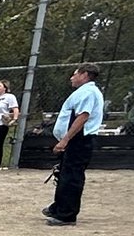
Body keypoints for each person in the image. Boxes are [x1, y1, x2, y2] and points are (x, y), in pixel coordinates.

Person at [43, 62, 105, 227]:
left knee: (72, 176)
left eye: (75, 74)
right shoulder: (83, 92)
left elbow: (83, 116)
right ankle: (58, 207)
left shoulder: (89, 92)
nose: (72, 77)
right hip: (75, 140)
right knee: (63, 173)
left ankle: (67, 215)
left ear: (84, 75)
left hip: (79, 140)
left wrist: (65, 139)